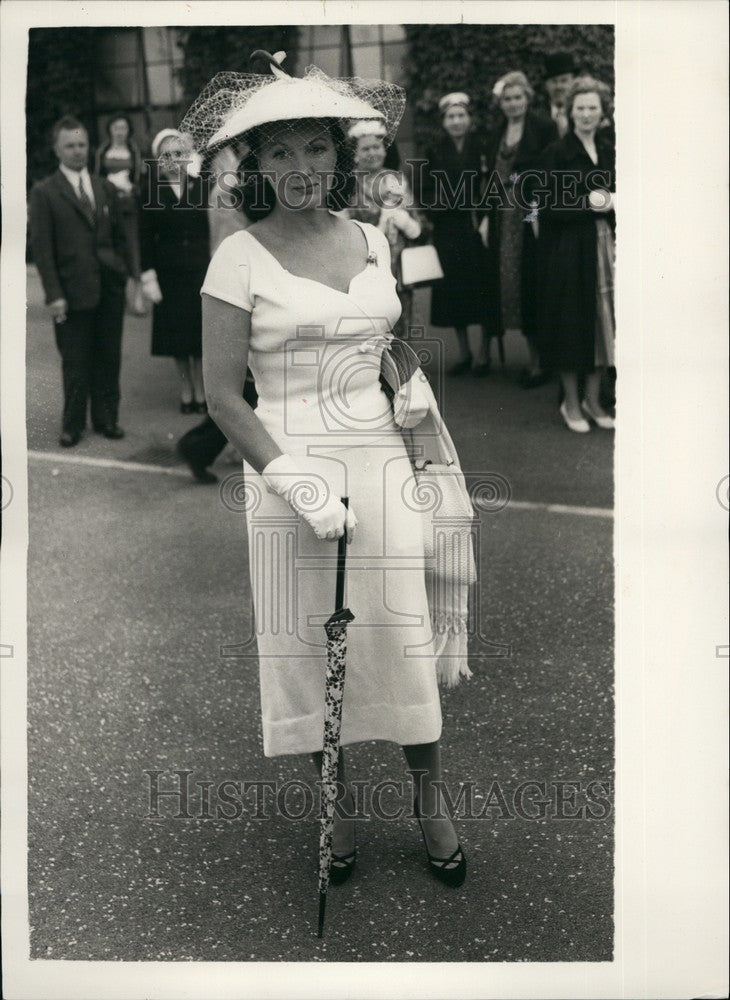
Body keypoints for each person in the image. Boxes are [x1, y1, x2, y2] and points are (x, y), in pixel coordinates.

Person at [190, 52, 468, 886]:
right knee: (313, 645)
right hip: (290, 473)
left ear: (337, 157)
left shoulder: (373, 238)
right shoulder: (237, 260)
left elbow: (384, 342)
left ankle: (429, 801)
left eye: (315, 149)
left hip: (383, 460)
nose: (301, 169)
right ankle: (334, 806)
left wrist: (407, 385)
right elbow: (221, 398)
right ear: (257, 166)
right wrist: (295, 482)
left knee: (400, 631)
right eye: (280, 154)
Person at [29, 115, 134, 447]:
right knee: (75, 362)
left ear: (90, 147)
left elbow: (118, 235)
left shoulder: (103, 187)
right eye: (70, 145)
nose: (77, 151)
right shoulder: (45, 192)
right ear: (57, 150)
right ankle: (72, 425)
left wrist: (121, 271)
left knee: (108, 357)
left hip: (108, 289)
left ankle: (106, 419)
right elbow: (43, 252)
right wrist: (54, 295)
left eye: (82, 145)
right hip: (71, 294)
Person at [538, 76, 616, 433]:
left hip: (607, 246)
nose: (586, 114)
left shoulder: (611, 148)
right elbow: (549, 207)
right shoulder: (555, 153)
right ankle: (570, 402)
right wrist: (591, 202)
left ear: (603, 113)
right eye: (580, 108)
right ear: (570, 112)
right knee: (571, 324)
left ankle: (593, 399)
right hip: (570, 250)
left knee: (606, 324)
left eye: (593, 108)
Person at [483, 71, 558, 388]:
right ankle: (531, 357)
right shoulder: (497, 131)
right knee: (510, 285)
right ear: (501, 103)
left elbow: (551, 169)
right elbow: (490, 174)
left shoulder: (544, 127)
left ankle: (542, 362)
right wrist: (487, 214)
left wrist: (534, 199)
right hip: (503, 217)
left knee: (534, 283)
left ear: (528, 98)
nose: (513, 104)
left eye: (518, 98)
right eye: (507, 99)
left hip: (531, 215)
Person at [418, 93, 491, 376]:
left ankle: (484, 352)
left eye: (461, 115)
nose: (457, 121)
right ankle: (464, 352)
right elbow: (425, 189)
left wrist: (484, 213)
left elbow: (490, 185)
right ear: (444, 121)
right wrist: (445, 202)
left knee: (482, 287)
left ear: (469, 119)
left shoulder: (481, 147)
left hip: (476, 225)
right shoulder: (434, 150)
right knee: (455, 291)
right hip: (448, 227)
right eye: (451, 116)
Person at [140, 129, 210, 413]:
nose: (172, 160)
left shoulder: (201, 186)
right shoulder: (151, 192)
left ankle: (202, 390)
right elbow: (144, 236)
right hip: (169, 273)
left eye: (178, 154)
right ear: (159, 161)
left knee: (198, 335)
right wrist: (148, 275)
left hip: (199, 269)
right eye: (166, 155)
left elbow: (211, 230)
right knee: (178, 338)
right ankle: (186, 390)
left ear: (187, 157)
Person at [343, 120, 421, 339]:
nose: (372, 153)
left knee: (402, 317)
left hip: (398, 260)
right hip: (365, 259)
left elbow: (416, 221)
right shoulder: (350, 182)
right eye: (365, 148)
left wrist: (404, 219)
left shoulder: (396, 178)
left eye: (377, 147)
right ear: (355, 153)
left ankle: (405, 369)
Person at [94, 114, 143, 281]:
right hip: (108, 200)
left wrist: (130, 188)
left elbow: (138, 178)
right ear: (110, 130)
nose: (119, 132)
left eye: (123, 128)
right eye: (116, 128)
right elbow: (97, 177)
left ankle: (135, 279)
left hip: (128, 201)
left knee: (131, 241)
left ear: (128, 131)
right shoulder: (103, 151)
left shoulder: (133, 151)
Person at [544, 51, 578, 138]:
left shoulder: (584, 112)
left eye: (564, 81)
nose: (559, 87)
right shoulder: (536, 115)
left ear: (574, 83)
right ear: (546, 85)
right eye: (554, 81)